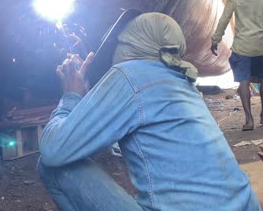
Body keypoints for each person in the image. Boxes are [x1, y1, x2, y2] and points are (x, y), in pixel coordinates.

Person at [38, 13, 260, 210]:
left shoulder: (130, 73)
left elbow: (54, 150)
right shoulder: (182, 82)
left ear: (135, 42)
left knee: (52, 167)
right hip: (246, 204)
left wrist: (71, 97)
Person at [211, 0, 263, 131]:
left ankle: (249, 120)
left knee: (243, 82)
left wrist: (215, 39)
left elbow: (224, 19)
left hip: (242, 48)